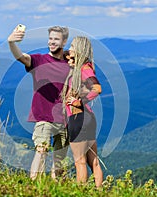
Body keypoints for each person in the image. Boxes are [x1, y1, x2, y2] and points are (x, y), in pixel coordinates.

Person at [8, 25, 70, 180]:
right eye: (50, 39)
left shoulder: (70, 64)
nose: (52, 42)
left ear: (64, 42)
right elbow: (21, 57)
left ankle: (58, 190)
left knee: (60, 162)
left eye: (56, 39)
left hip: (65, 119)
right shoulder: (39, 60)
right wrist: (11, 43)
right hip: (44, 117)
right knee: (41, 151)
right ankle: (33, 188)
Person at [61, 36, 103, 187]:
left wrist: (80, 101)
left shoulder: (84, 69)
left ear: (79, 49)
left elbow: (97, 88)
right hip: (88, 117)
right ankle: (100, 191)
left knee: (80, 161)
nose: (70, 49)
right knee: (94, 161)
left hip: (77, 117)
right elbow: (63, 54)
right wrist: (70, 56)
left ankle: (80, 192)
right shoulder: (85, 66)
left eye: (72, 46)